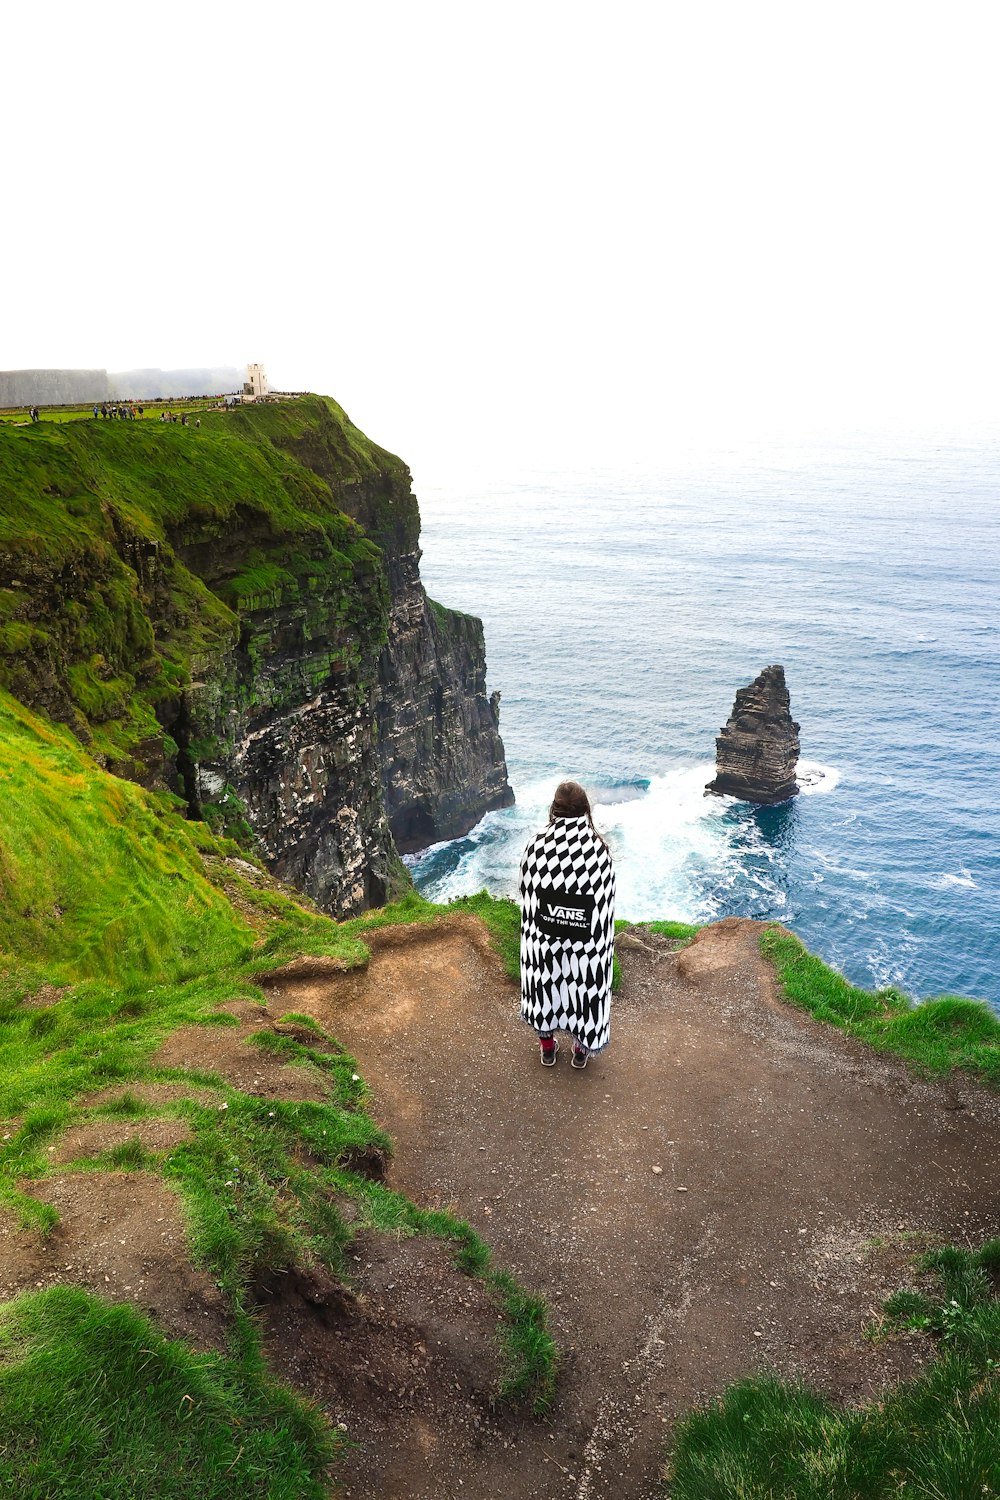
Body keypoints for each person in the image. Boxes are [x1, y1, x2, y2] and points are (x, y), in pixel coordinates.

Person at [519, 780, 616, 1070]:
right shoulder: (599, 850)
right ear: (586, 810)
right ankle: (579, 1050)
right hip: (585, 945)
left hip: (544, 939)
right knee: (583, 991)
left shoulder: (536, 845)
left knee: (545, 986)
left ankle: (547, 1048)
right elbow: (605, 902)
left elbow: (527, 890)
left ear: (554, 810)